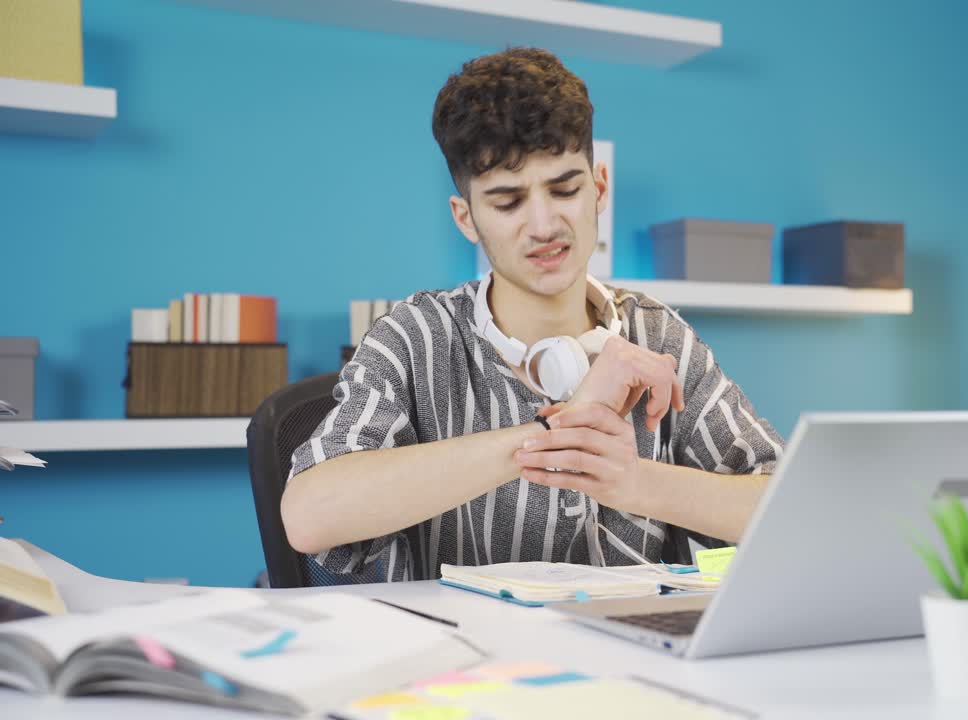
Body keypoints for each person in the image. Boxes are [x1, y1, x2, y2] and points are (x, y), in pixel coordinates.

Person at [282, 47, 784, 582]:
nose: (544, 225)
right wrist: (552, 435)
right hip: (464, 658)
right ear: (467, 218)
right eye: (507, 202)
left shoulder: (659, 336)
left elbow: (786, 507)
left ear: (599, 189)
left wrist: (631, 480)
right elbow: (310, 515)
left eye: (565, 189)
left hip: (632, 653)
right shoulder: (414, 335)